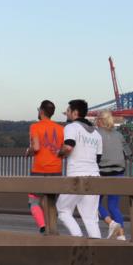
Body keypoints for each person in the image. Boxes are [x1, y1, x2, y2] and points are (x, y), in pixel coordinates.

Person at [56, 99, 103, 238]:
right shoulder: (96, 134)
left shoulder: (71, 127)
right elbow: (98, 159)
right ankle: (97, 247)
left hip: (76, 176)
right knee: (91, 218)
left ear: (75, 113)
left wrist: (59, 154)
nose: (66, 113)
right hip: (94, 176)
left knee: (63, 210)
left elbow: (68, 146)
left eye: (68, 111)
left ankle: (78, 239)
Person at [26, 100, 65, 234]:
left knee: (33, 201)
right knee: (50, 202)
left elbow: (36, 147)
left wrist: (29, 151)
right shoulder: (61, 129)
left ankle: (43, 226)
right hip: (56, 170)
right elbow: (63, 150)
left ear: (41, 111)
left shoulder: (35, 127)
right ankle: (52, 228)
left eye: (38, 109)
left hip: (39, 170)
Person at [96, 110, 131, 240]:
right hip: (119, 173)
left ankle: (112, 224)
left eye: (96, 119)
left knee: (94, 204)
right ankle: (121, 234)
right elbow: (128, 152)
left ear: (100, 121)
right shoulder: (119, 134)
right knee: (113, 206)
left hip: (103, 173)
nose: (95, 121)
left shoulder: (96, 134)